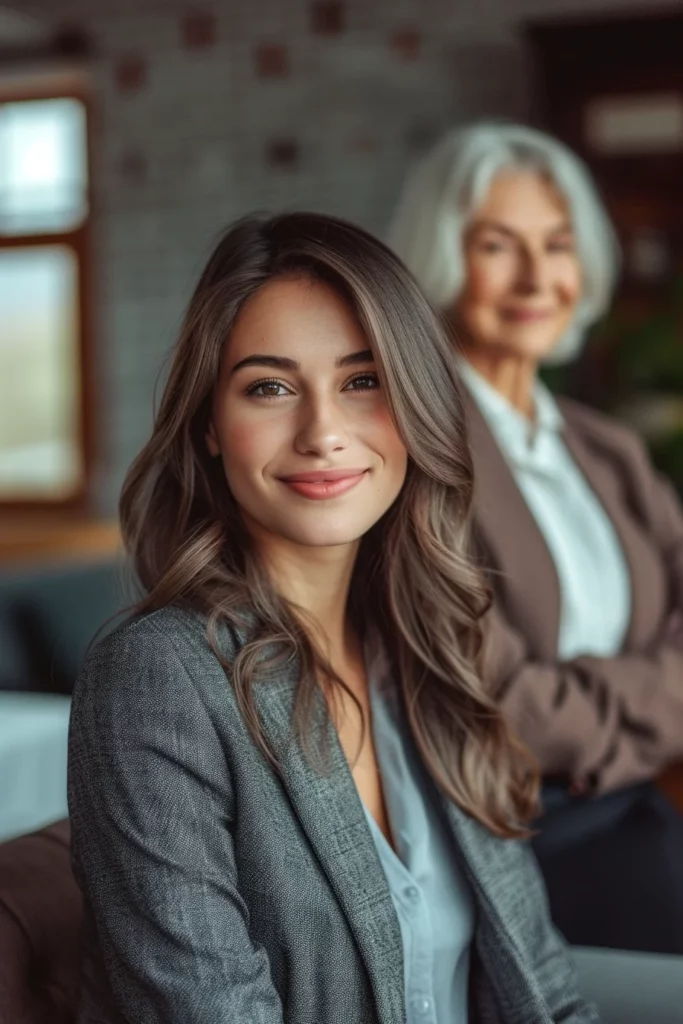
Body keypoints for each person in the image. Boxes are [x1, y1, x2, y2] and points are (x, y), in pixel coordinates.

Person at [67, 213, 599, 1023]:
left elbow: (545, 984)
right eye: (269, 387)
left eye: (362, 380)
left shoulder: (433, 648)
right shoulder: (159, 676)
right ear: (210, 424)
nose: (322, 433)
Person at [389, 121, 683, 955]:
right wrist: (655, 701)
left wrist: (598, 708)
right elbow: (497, 707)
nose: (535, 276)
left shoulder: (605, 449)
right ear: (443, 259)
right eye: (497, 245)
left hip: (635, 795)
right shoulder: (420, 457)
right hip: (522, 837)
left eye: (556, 245)